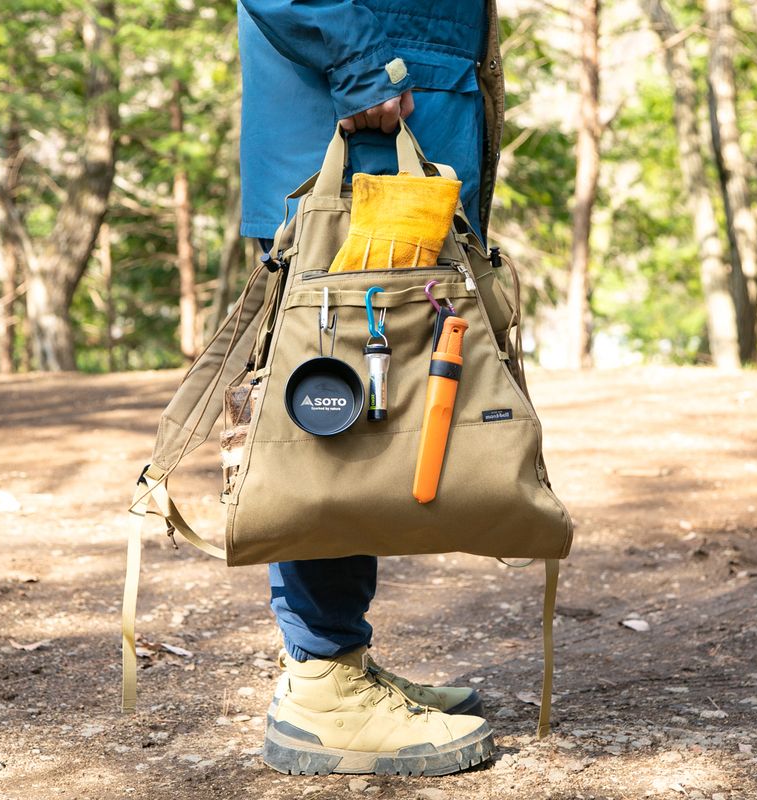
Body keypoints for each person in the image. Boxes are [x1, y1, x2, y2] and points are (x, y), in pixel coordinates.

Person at [236, 0, 504, 777]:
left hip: (396, 120)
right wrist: (360, 67)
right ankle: (322, 687)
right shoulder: (362, 81)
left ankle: (337, 656)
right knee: (329, 409)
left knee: (362, 412)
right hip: (356, 116)